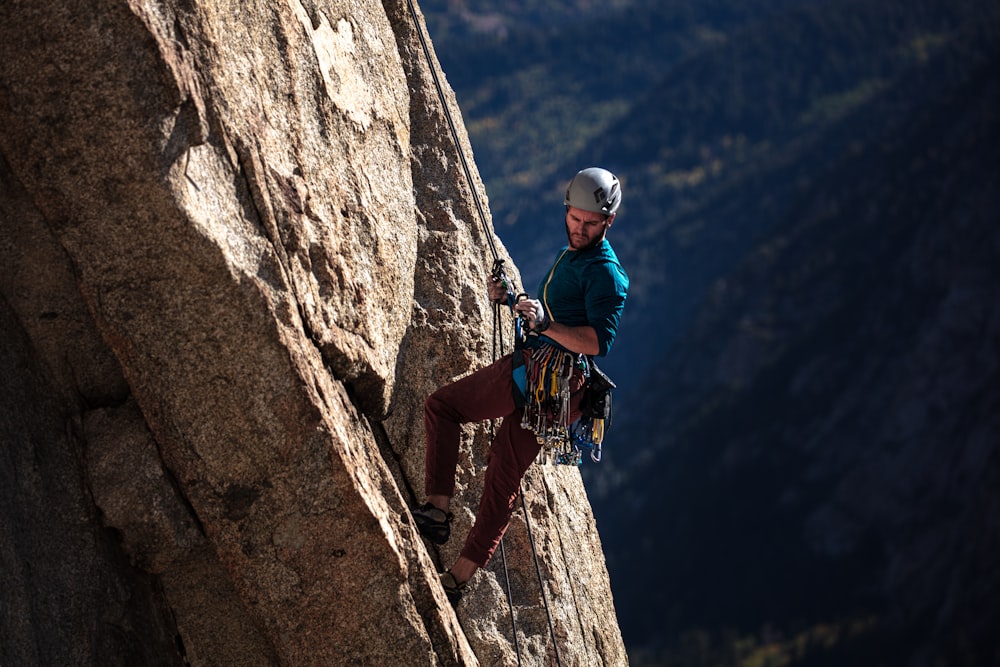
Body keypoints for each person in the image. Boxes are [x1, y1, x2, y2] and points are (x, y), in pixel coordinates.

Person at [412, 167, 629, 604]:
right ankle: (451, 559)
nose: (580, 228)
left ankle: (442, 528)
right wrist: (512, 299)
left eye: (590, 223)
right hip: (555, 390)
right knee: (501, 476)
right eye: (575, 218)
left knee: (447, 411)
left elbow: (595, 341)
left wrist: (545, 324)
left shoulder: (607, 275)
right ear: (567, 210)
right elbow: (556, 319)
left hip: (542, 377)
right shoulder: (573, 255)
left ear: (608, 222)